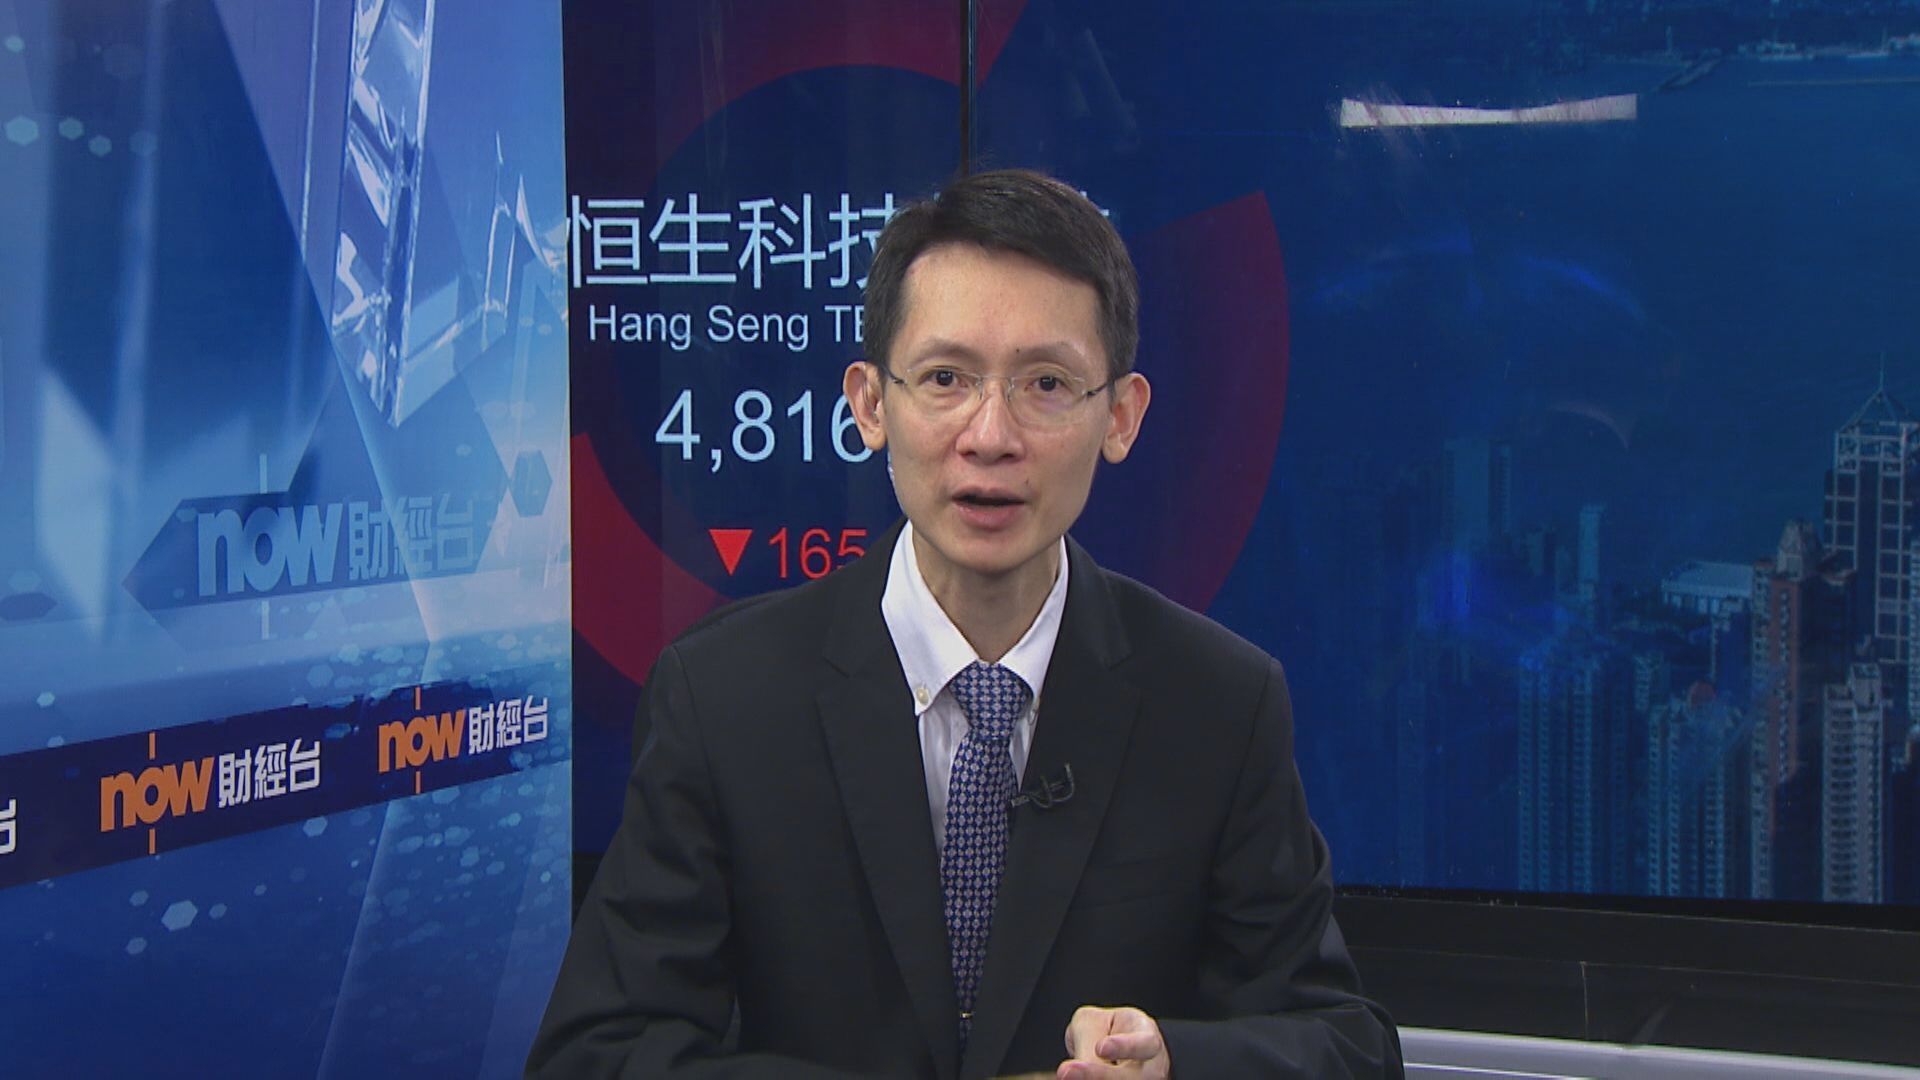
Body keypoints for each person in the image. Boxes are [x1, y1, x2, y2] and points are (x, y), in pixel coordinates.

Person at [528, 169, 1401, 1078]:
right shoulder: (724, 698)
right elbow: (595, 1056)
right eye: (946, 378)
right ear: (871, 403)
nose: (991, 435)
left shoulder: (1218, 703)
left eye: (1047, 383)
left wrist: (1174, 1063)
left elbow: (1348, 1045)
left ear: (1121, 416)